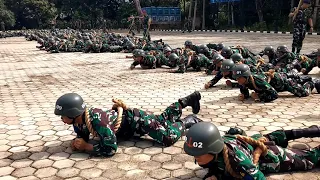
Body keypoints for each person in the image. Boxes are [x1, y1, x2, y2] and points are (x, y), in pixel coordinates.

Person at [54, 91, 202, 156]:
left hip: (138, 121)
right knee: (162, 120)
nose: (61, 119)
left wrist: (87, 147)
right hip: (131, 126)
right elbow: (83, 134)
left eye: (63, 115)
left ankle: (188, 121)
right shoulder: (80, 121)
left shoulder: (98, 121)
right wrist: (78, 141)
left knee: (167, 137)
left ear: (73, 114)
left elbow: (110, 148)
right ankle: (186, 101)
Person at [184, 122, 320, 180]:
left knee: (310, 160)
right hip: (248, 145)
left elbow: (258, 178)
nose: (196, 158)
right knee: (269, 137)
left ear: (214, 150)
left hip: (267, 157)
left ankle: (302, 150)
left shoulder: (239, 162)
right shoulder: (217, 146)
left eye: (199, 154)